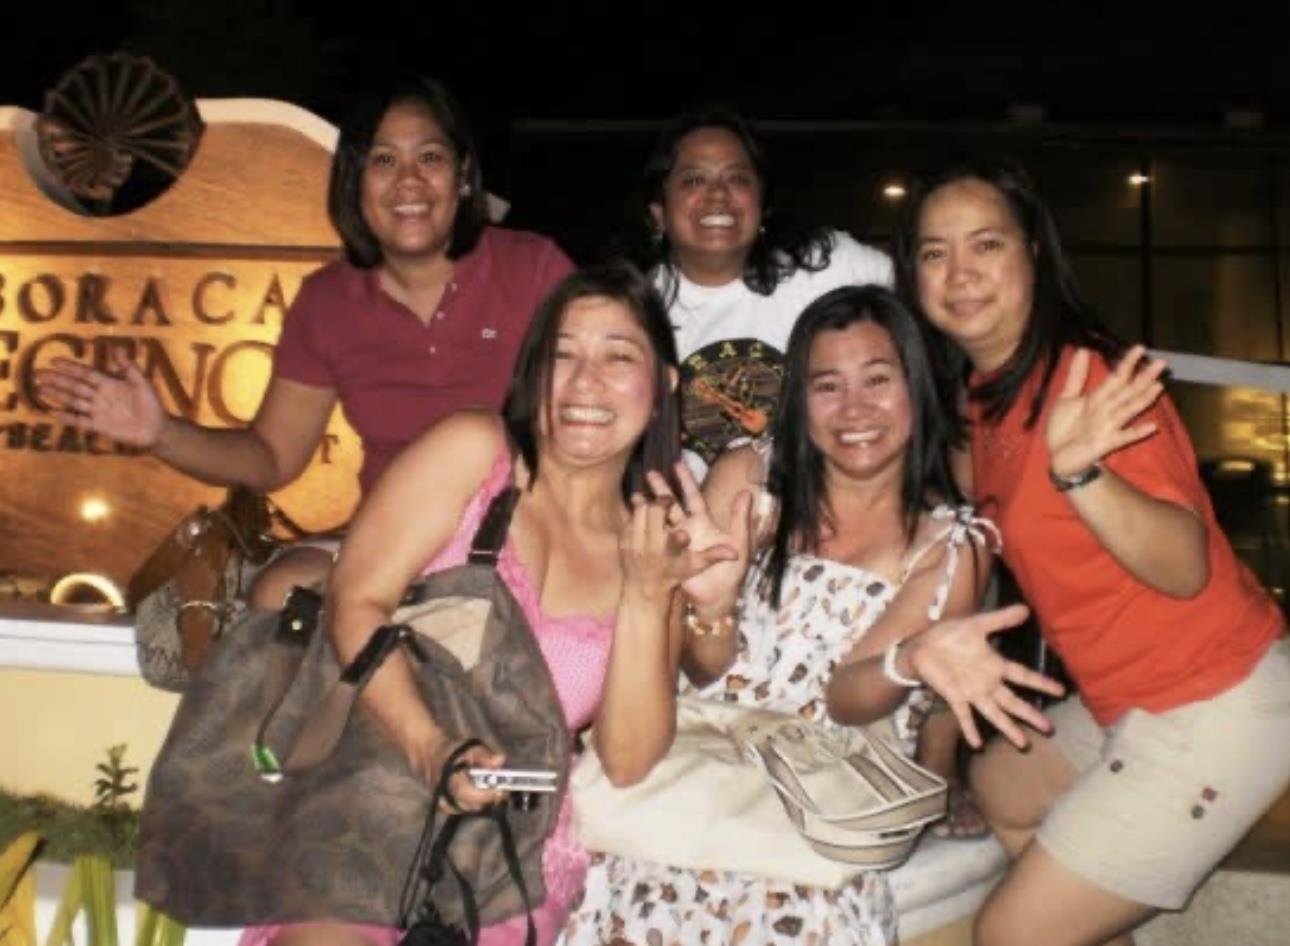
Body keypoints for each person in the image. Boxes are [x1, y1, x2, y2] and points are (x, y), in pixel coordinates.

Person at [245, 262, 739, 946]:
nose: (584, 381)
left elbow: (626, 758)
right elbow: (357, 601)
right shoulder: (474, 452)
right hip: (368, 800)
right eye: (562, 355)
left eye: (618, 357)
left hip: (511, 851)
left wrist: (649, 593)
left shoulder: (653, 542)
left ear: (664, 385)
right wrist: (432, 748)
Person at [562, 284, 1062, 946]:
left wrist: (908, 660)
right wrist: (712, 608)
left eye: (878, 380)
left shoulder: (950, 545)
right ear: (800, 398)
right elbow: (703, 671)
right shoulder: (748, 478)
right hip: (696, 767)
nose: (854, 409)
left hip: (821, 798)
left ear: (916, 388)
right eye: (827, 386)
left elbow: (848, 700)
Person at [897, 156, 1290, 946]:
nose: (960, 273)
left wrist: (1080, 473)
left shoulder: (1091, 380)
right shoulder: (981, 397)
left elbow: (1186, 568)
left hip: (1215, 698)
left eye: (986, 245)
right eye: (935, 253)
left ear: (1033, 254)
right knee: (1002, 783)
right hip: (1124, 699)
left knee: (1009, 935)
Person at [35, 75, 572, 604]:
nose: (408, 180)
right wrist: (160, 433)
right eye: (383, 160)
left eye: (429, 158)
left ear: (463, 176)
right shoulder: (329, 301)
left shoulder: (534, 269)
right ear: (355, 182)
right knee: (278, 593)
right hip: (391, 544)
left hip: (525, 538)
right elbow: (272, 457)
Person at [642, 105, 892, 476]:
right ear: (660, 213)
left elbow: (931, 297)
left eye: (738, 178)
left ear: (761, 203)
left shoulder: (823, 267)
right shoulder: (635, 312)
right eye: (694, 180)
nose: (718, 194)